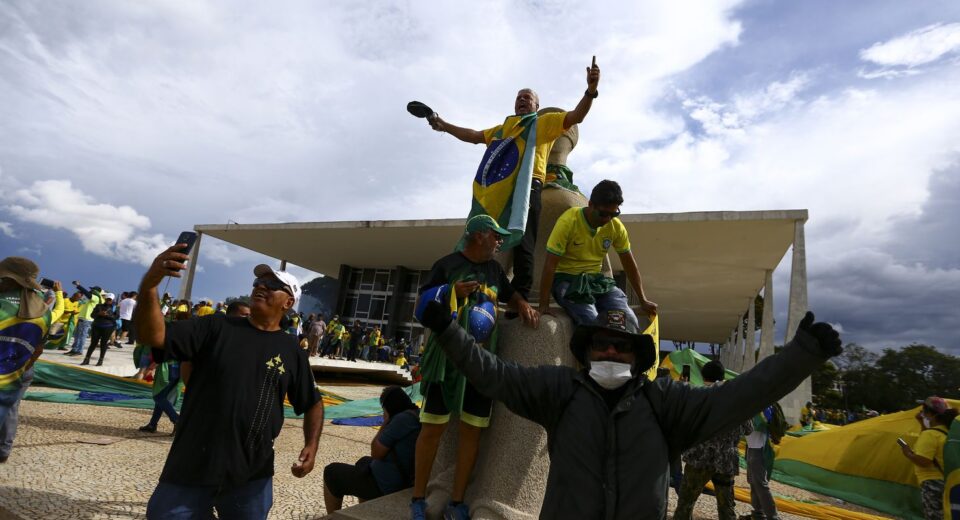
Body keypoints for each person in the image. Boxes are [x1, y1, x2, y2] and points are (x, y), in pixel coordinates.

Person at [418, 296, 842, 519]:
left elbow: (740, 397)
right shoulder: (559, 390)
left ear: (638, 357)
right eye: (601, 344)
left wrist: (801, 356)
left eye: (621, 347)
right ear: (586, 351)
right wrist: (448, 331)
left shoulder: (665, 403)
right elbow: (495, 375)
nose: (610, 352)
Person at [135, 246, 324, 520]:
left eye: (272, 285)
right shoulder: (215, 327)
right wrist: (150, 285)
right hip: (191, 462)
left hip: (251, 473)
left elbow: (313, 402)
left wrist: (311, 445)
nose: (261, 286)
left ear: (288, 302)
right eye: (258, 282)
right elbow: (153, 336)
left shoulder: (291, 350)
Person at [425, 59, 602, 300]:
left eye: (527, 98)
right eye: (519, 97)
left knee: (524, 243)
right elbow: (474, 135)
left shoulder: (543, 123)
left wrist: (590, 91)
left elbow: (576, 116)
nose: (522, 100)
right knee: (489, 239)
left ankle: (520, 296)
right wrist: (444, 125)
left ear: (537, 106)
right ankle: (479, 285)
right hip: (500, 191)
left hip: (528, 188)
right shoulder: (504, 130)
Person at [411, 214, 539, 520]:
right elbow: (421, 307)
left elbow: (509, 294)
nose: (500, 242)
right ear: (479, 235)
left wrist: (522, 304)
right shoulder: (446, 265)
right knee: (432, 429)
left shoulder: (494, 270)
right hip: (447, 360)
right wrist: (451, 292)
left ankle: (457, 502)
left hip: (482, 363)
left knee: (472, 430)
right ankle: (417, 497)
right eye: (496, 236)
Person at [538, 179, 657, 330]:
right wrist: (544, 304)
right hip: (567, 281)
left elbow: (629, 265)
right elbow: (550, 264)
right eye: (603, 213)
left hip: (596, 281)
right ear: (590, 205)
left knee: (628, 321)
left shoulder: (615, 227)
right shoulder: (569, 221)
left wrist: (642, 300)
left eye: (613, 214)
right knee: (593, 323)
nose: (607, 219)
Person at [0, 257, 64, 463]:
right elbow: (39, 349)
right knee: (10, 409)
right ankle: (3, 449)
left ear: (8, 278)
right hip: (19, 372)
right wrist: (22, 368)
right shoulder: (43, 310)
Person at [674, 361, 753, 520]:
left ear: (704, 376)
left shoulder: (698, 395)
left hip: (699, 457)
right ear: (723, 376)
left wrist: (682, 387)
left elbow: (683, 419)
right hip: (726, 459)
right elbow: (749, 429)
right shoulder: (738, 400)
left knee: (685, 503)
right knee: (726, 507)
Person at [323, 386, 422, 512]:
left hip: (386, 485)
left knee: (331, 472)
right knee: (363, 461)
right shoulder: (416, 414)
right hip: (402, 478)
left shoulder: (401, 420)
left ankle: (332, 517)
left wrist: (385, 422)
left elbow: (376, 452)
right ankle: (366, 512)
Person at [901, 396, 958, 520]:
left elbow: (924, 461)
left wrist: (908, 453)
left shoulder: (930, 435)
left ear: (930, 414)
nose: (922, 414)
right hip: (947, 482)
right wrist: (922, 423)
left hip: (933, 483)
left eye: (923, 411)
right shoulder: (946, 433)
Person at [138, 348, 185, 434]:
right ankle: (152, 424)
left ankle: (176, 419)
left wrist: (151, 367)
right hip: (177, 368)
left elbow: (164, 352)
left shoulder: (170, 340)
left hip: (168, 369)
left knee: (158, 397)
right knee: (161, 398)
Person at [66, 281, 102, 356]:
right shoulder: (90, 299)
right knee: (77, 335)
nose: (91, 291)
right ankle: (74, 349)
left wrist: (78, 286)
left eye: (92, 290)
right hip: (82, 318)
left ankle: (79, 350)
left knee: (82, 336)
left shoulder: (96, 298)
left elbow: (87, 293)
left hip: (86, 320)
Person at [81, 293, 117, 366]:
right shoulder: (99, 306)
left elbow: (116, 317)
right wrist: (99, 314)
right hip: (97, 326)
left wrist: (107, 315)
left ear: (112, 300)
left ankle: (100, 360)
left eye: (110, 299)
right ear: (105, 299)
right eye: (107, 299)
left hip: (108, 328)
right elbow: (92, 315)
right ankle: (86, 359)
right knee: (93, 343)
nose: (108, 300)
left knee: (103, 344)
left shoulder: (114, 308)